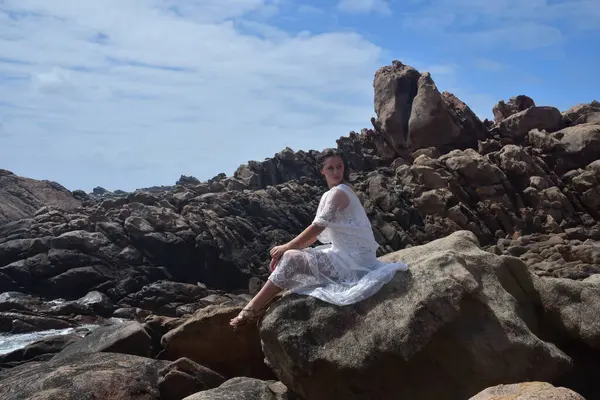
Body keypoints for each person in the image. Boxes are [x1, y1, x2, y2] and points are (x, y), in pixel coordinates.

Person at [229, 148, 408, 328]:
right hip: (346, 255)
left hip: (354, 262)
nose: (337, 172)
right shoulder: (330, 194)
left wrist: (286, 248)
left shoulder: (339, 192)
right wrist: (288, 251)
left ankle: (251, 309)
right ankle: (258, 305)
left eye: (340, 166)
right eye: (331, 168)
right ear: (321, 170)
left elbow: (317, 228)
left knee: (291, 258)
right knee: (291, 257)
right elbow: (312, 238)